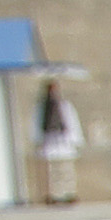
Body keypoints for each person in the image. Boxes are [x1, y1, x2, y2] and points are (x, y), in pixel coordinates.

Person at [32, 77, 84, 206]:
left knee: (66, 170)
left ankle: (69, 193)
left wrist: (76, 140)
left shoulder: (64, 105)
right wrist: (37, 141)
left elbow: (72, 122)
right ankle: (54, 195)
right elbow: (36, 124)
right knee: (52, 172)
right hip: (49, 141)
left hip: (64, 142)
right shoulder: (41, 107)